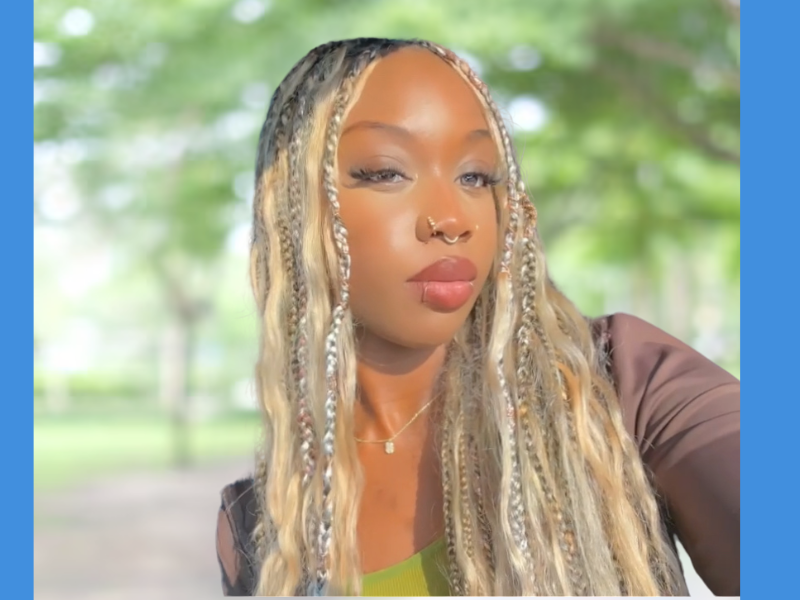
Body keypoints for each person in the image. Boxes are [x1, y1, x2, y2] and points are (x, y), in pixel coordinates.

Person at [215, 38, 740, 597]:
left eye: (476, 176)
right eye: (387, 172)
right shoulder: (263, 524)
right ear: (292, 209)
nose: (451, 218)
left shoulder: (624, 384)